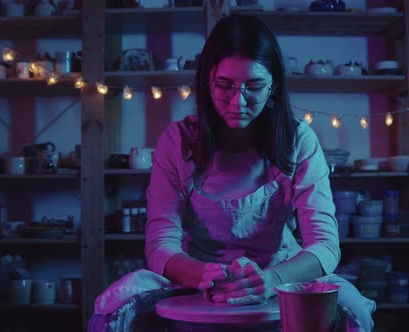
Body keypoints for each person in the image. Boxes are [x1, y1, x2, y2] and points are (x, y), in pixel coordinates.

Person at [93, 13, 376, 331]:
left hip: (278, 269)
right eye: (224, 85)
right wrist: (202, 275)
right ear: (206, 82)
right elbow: (160, 243)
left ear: (273, 88)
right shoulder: (177, 141)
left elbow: (325, 245)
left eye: (254, 86)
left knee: (353, 310)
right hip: (196, 271)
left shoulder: (299, 141)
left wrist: (271, 280)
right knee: (113, 303)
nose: (237, 101)